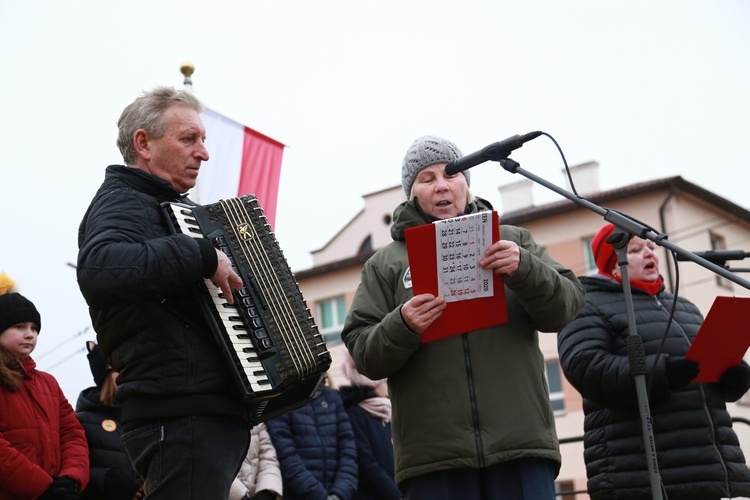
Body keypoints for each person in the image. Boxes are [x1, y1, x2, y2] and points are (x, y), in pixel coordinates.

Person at [341, 135, 585, 499]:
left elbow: (567, 306)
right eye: (427, 178)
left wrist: (526, 269)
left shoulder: (512, 240)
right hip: (434, 459)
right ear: (412, 194)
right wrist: (402, 324)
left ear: (466, 184)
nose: (441, 185)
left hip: (520, 444)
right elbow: (364, 353)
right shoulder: (385, 264)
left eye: (451, 174)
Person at [76, 86, 251, 498]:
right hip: (178, 413)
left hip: (195, 413)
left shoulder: (158, 205)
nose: (203, 153)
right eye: (188, 139)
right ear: (144, 144)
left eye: (203, 140)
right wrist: (201, 254)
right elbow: (100, 267)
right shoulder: (123, 200)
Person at [557, 222, 750, 500]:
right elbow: (588, 370)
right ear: (613, 264)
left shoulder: (684, 307)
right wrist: (662, 372)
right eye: (636, 249)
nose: (650, 254)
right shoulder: (586, 304)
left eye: (651, 247)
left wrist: (734, 377)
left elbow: (702, 375)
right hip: (639, 475)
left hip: (714, 472)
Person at [0, 273, 89, 499]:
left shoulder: (48, 383)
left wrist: (71, 478)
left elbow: (73, 434)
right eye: (19, 327)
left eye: (34, 328)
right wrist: (42, 487)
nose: (30, 334)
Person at [265, 382, 358, 500]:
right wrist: (318, 496)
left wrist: (340, 492)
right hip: (299, 494)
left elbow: (348, 450)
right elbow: (285, 454)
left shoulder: (332, 396)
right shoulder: (281, 398)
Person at [75, 341, 143, 500]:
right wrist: (107, 480)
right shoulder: (82, 421)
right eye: (118, 370)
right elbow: (76, 469)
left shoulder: (147, 414)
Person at [337, 350, 400, 500]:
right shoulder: (354, 413)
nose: (388, 387)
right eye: (385, 382)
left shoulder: (387, 411)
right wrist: (396, 494)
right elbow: (366, 464)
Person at [229, 422, 283, 500]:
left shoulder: (256, 421)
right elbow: (213, 465)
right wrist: (241, 497)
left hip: (255, 493)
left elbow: (268, 458)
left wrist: (266, 492)